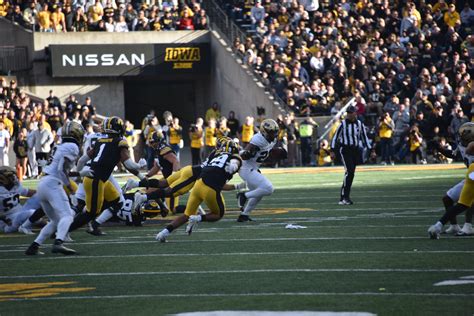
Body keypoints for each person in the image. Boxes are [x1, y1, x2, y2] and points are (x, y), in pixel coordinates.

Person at [68, 117, 145, 234]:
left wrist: (78, 174)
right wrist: (139, 167)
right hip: (98, 177)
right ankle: (63, 231)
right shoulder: (120, 141)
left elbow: (81, 160)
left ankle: (90, 224)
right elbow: (128, 164)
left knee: (86, 204)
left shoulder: (99, 140)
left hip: (88, 172)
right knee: (91, 211)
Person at [155, 139, 242, 242]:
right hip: (210, 188)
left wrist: (236, 186)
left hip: (198, 184)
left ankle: (163, 233)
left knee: (187, 214)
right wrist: (235, 166)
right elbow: (235, 161)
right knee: (218, 214)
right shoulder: (234, 157)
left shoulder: (215, 157)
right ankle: (198, 218)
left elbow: (221, 183)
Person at [24, 121, 86, 255]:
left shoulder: (61, 145)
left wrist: (80, 174)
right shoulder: (71, 146)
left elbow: (61, 169)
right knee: (68, 216)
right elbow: (61, 169)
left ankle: (34, 246)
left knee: (56, 220)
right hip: (52, 184)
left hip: (43, 183)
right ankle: (59, 243)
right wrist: (71, 189)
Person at [237, 118, 281, 222]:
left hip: (253, 168)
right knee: (268, 188)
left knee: (259, 192)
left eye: (275, 132)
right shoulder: (257, 139)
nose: (274, 134)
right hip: (246, 168)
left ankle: (244, 215)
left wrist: (275, 155)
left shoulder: (273, 139)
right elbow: (244, 156)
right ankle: (243, 195)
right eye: (272, 132)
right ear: (264, 132)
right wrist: (247, 153)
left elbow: (265, 153)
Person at [330, 105, 372, 205]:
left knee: (351, 173)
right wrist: (332, 150)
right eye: (348, 113)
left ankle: (344, 197)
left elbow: (364, 137)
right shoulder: (343, 124)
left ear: (355, 113)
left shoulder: (359, 124)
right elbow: (335, 137)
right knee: (349, 172)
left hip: (355, 150)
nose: (349, 114)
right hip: (345, 150)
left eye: (351, 112)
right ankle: (344, 197)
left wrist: (371, 149)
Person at [0, 166, 36, 234]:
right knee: (32, 213)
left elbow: (27, 192)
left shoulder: (14, 185)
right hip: (8, 223)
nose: (13, 178)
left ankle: (48, 222)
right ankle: (48, 224)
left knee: (40, 198)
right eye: (10, 176)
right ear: (2, 179)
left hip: (21, 212)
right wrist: (5, 219)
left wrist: (44, 194)